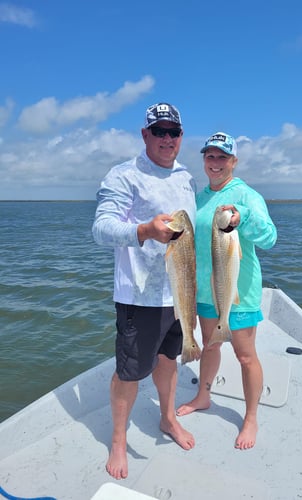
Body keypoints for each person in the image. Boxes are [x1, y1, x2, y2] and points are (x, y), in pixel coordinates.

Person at [92, 103, 196, 480]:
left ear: (181, 137)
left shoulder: (186, 176)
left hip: (179, 293)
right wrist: (144, 231)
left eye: (174, 132)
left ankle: (168, 418)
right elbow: (101, 229)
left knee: (169, 362)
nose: (167, 139)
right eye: (160, 131)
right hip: (139, 297)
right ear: (145, 135)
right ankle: (119, 439)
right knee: (130, 373)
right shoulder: (125, 175)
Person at [176, 132, 277, 450]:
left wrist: (243, 217)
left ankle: (250, 417)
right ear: (203, 160)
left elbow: (270, 238)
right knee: (210, 347)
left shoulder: (246, 195)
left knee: (246, 356)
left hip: (239, 293)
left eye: (222, 157)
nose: (215, 163)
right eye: (210, 157)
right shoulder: (199, 198)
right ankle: (203, 396)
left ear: (234, 161)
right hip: (206, 293)